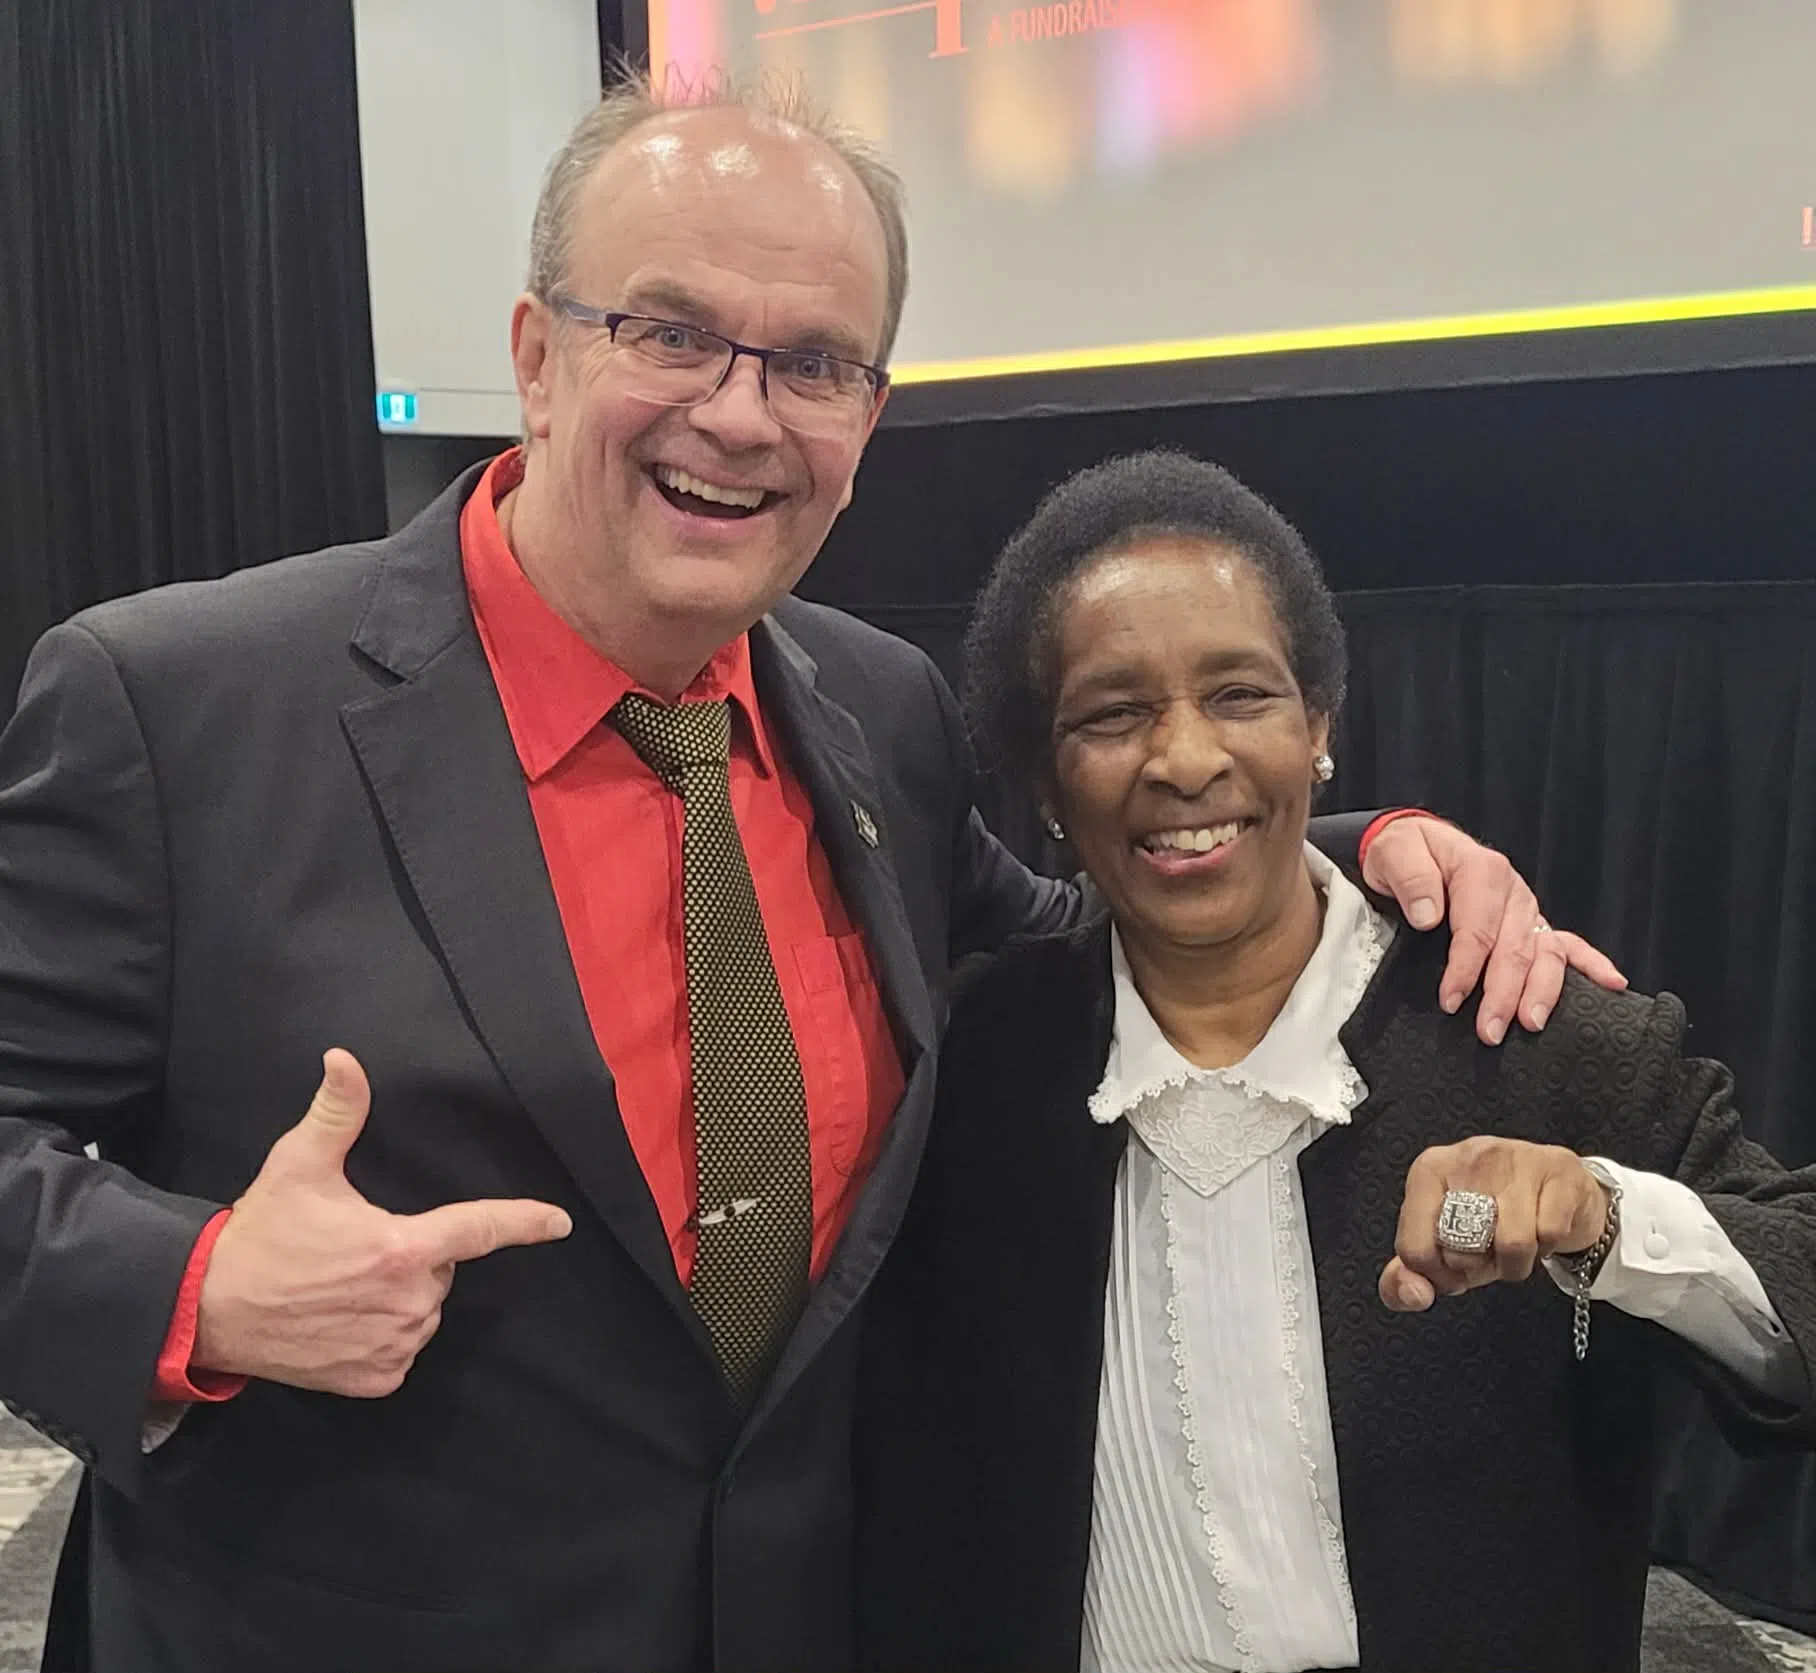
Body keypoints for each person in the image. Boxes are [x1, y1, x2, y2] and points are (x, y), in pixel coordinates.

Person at [0, 77, 1611, 1673]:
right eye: (671, 331)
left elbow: (1065, 943)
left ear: (867, 421)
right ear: (536, 359)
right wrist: (193, 1289)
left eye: (815, 363)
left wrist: (1351, 847)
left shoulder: (875, 710)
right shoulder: (179, 705)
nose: (740, 413)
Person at [853, 449, 1816, 1673]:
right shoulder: (968, 1074)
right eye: (1111, 712)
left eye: (1241, 694)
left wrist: (1607, 1217)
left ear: (1319, 725)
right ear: (1045, 782)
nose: (1185, 757)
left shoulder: (1533, 1037)